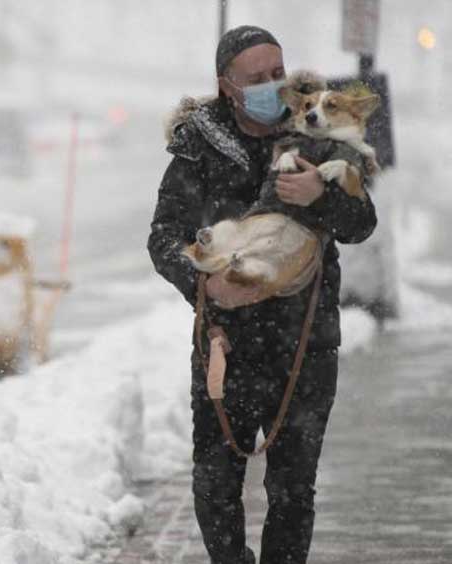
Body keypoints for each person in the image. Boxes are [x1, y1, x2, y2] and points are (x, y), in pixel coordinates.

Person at [147, 26, 376, 564]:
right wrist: (205, 285)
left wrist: (323, 196)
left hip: (305, 341)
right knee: (215, 483)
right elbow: (162, 238)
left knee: (294, 491)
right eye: (256, 79)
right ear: (227, 85)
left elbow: (361, 223)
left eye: (278, 73)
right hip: (228, 345)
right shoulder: (198, 150)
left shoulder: (320, 131)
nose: (273, 87)